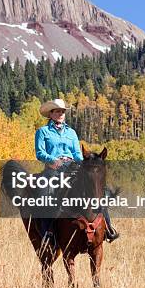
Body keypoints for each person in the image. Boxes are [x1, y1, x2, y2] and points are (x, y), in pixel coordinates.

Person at [35, 98, 119, 249]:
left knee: (99, 190)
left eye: (63, 111)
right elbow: (40, 153)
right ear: (51, 114)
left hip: (72, 167)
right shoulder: (42, 132)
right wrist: (53, 160)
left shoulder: (71, 132)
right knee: (45, 194)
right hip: (52, 169)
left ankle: (108, 228)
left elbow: (77, 153)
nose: (61, 114)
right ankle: (47, 232)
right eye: (58, 111)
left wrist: (82, 163)